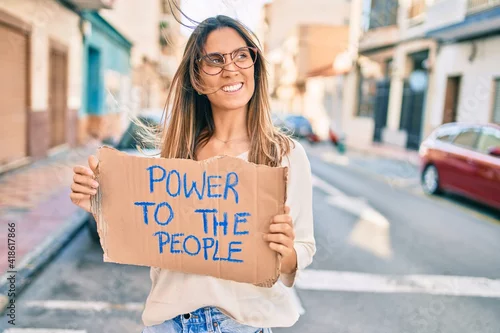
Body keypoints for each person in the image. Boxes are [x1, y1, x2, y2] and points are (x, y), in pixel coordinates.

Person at [70, 14, 315, 333]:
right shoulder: (172, 159)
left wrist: (286, 254)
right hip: (168, 325)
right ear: (197, 78)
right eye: (215, 60)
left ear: (255, 64)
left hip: (243, 326)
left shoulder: (286, 156)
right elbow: (148, 233)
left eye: (242, 55)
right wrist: (100, 204)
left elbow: (303, 249)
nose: (231, 68)